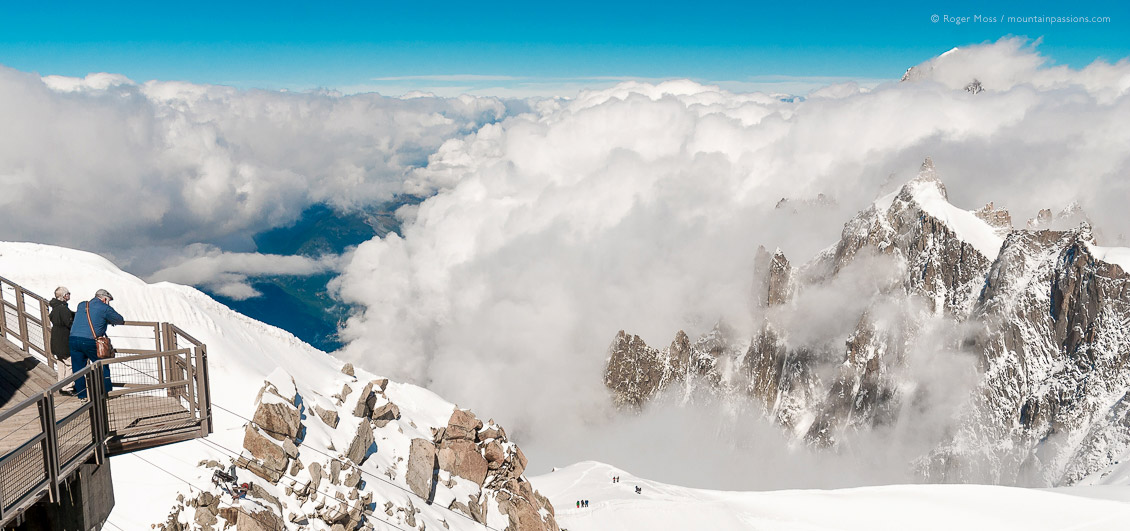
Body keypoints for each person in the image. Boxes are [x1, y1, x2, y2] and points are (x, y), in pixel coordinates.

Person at [70, 289, 124, 399]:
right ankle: (106, 392)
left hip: (73, 339)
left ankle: (82, 396)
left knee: (78, 369)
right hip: (90, 341)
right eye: (108, 300)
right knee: (102, 365)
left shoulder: (82, 305)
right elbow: (119, 320)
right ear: (104, 299)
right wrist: (107, 320)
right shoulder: (105, 308)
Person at [48, 286, 75, 384]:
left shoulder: (55, 308)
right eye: (68, 293)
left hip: (56, 339)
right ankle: (67, 386)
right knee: (71, 364)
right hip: (64, 340)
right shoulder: (63, 309)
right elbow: (69, 323)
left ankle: (61, 384)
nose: (69, 295)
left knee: (61, 363)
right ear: (64, 296)